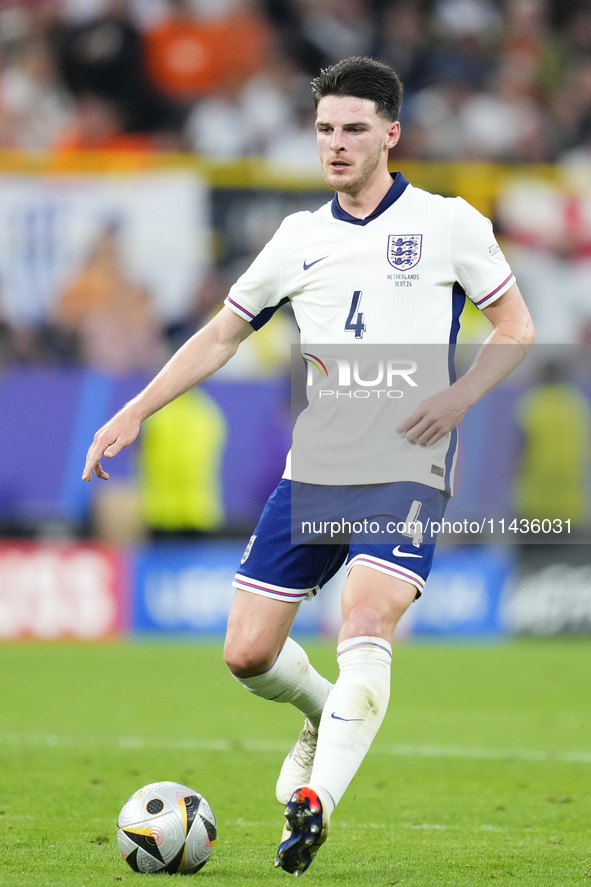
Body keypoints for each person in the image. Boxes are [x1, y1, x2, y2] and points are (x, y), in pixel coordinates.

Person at [82, 57, 535, 876]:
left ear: (390, 134)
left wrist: (459, 398)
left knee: (363, 620)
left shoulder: (449, 222)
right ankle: (327, 714)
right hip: (316, 470)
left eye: (354, 128)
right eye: (324, 128)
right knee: (247, 654)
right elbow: (222, 333)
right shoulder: (298, 239)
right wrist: (135, 408)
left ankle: (313, 801)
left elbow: (516, 328)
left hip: (407, 462)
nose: (335, 143)